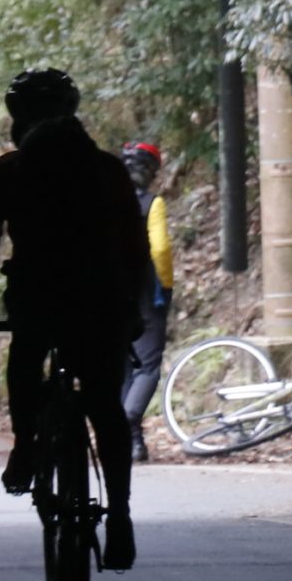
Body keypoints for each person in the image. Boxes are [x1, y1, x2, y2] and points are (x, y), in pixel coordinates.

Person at [0, 68, 151, 570]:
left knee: (26, 360)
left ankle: (25, 447)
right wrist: (132, 307)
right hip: (101, 297)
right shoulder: (106, 170)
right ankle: (121, 516)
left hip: (37, 296)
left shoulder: (5, 173)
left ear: (16, 117)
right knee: (104, 405)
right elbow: (135, 247)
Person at [118, 141, 175, 462]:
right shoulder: (151, 204)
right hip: (144, 294)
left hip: (106, 295)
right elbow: (161, 249)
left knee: (123, 366)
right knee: (147, 365)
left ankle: (133, 443)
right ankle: (128, 420)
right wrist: (164, 286)